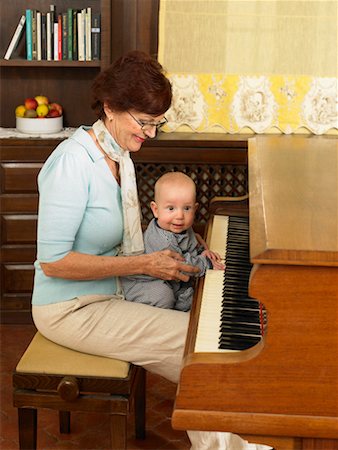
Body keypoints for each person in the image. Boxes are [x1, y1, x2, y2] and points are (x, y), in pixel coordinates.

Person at [31, 50, 272, 450]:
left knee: (206, 339)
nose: (152, 134)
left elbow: (136, 233)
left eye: (157, 123)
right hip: (71, 307)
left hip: (113, 288)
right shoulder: (73, 163)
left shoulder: (117, 155)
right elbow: (54, 263)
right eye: (144, 123)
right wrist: (144, 263)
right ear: (110, 107)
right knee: (201, 346)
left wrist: (192, 240)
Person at [122, 171, 224, 311]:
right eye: (171, 208)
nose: (180, 216)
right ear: (156, 210)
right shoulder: (164, 241)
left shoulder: (178, 227)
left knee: (191, 292)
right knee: (164, 297)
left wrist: (203, 251)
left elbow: (191, 246)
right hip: (142, 282)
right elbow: (182, 265)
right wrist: (206, 263)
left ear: (195, 209)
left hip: (168, 277)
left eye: (187, 208)